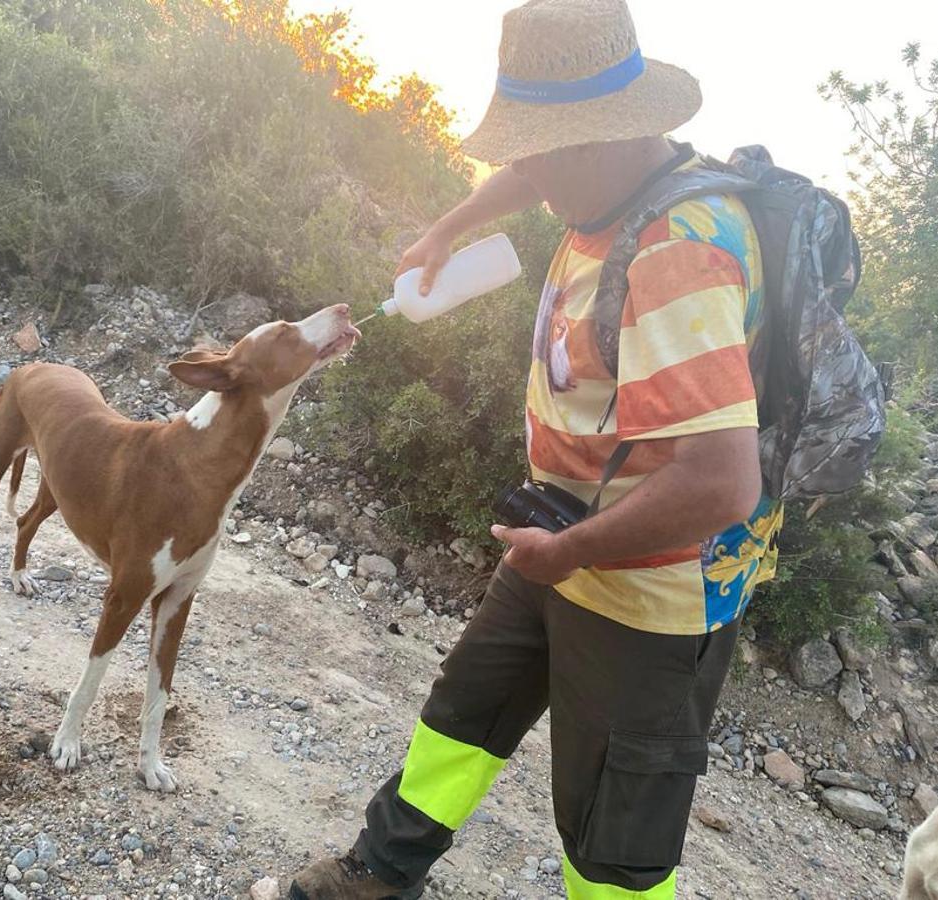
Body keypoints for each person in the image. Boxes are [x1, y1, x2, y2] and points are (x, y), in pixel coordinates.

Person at [290, 0, 783, 897]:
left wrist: (570, 552)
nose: (536, 180)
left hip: (650, 592)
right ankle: (379, 872)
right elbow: (530, 177)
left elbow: (720, 480)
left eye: (545, 149)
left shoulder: (678, 250)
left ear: (604, 134)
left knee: (613, 839)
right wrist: (448, 229)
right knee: (463, 714)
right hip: (565, 540)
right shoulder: (613, 180)